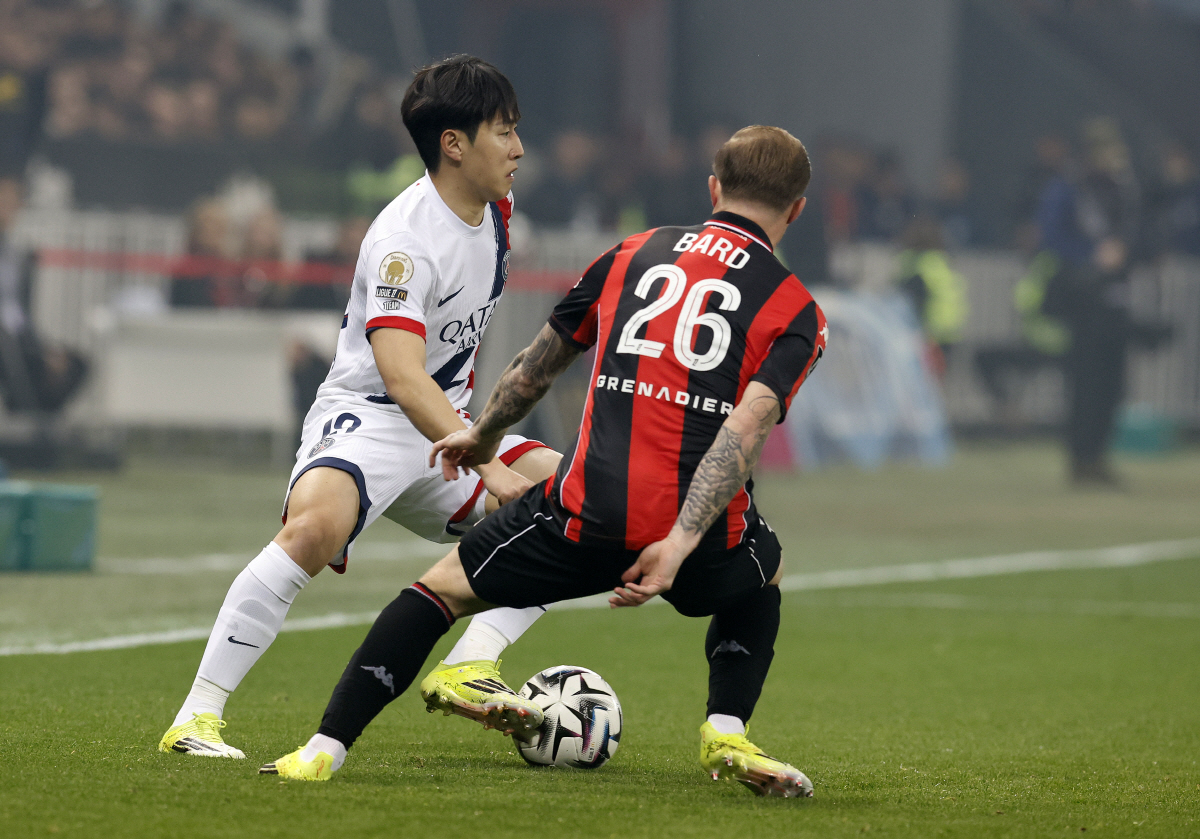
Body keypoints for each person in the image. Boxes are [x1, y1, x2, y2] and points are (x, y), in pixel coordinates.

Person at [260, 125, 827, 799]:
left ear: (714, 189)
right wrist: (677, 544)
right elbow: (744, 429)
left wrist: (484, 435)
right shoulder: (797, 309)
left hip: (584, 510)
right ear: (797, 208)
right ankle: (727, 729)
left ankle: (324, 748)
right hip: (695, 536)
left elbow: (537, 365)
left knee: (438, 591)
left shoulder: (631, 254)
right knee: (766, 568)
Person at [158, 55, 562, 759]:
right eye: (504, 131)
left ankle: (472, 663)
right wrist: (489, 459)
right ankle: (196, 717)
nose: (519, 148)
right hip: (373, 416)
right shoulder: (405, 242)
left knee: (581, 505)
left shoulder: (499, 211)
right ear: (454, 143)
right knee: (316, 528)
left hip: (450, 425)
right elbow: (403, 378)